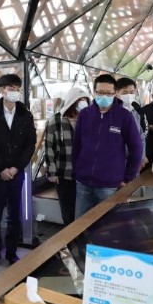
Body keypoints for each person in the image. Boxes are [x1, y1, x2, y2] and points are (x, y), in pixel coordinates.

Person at [0, 74, 37, 269]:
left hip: (16, 172)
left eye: (17, 89)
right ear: (2, 90)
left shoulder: (25, 114)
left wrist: (16, 168)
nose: (15, 93)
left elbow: (30, 144)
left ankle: (11, 252)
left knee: (14, 213)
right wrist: (1, 168)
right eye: (11, 89)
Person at [73, 74, 142, 218]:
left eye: (108, 93)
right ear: (94, 92)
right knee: (80, 223)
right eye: (100, 92)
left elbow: (136, 148)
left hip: (109, 185)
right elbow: (77, 144)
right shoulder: (85, 114)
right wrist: (77, 169)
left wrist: (127, 177)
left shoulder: (124, 116)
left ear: (115, 93)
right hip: (83, 182)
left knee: (107, 225)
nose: (104, 96)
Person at [45, 86, 90, 226]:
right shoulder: (56, 121)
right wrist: (52, 172)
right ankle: (71, 238)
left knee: (85, 211)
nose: (83, 103)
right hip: (65, 173)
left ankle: (84, 237)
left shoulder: (89, 119)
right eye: (80, 100)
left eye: (85, 100)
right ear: (72, 101)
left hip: (86, 174)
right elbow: (49, 147)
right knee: (68, 211)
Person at [115, 77, 149, 170]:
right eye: (125, 93)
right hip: (118, 163)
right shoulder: (113, 113)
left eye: (131, 92)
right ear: (116, 93)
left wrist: (141, 157)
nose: (129, 95)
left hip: (134, 162)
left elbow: (141, 137)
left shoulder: (134, 112)